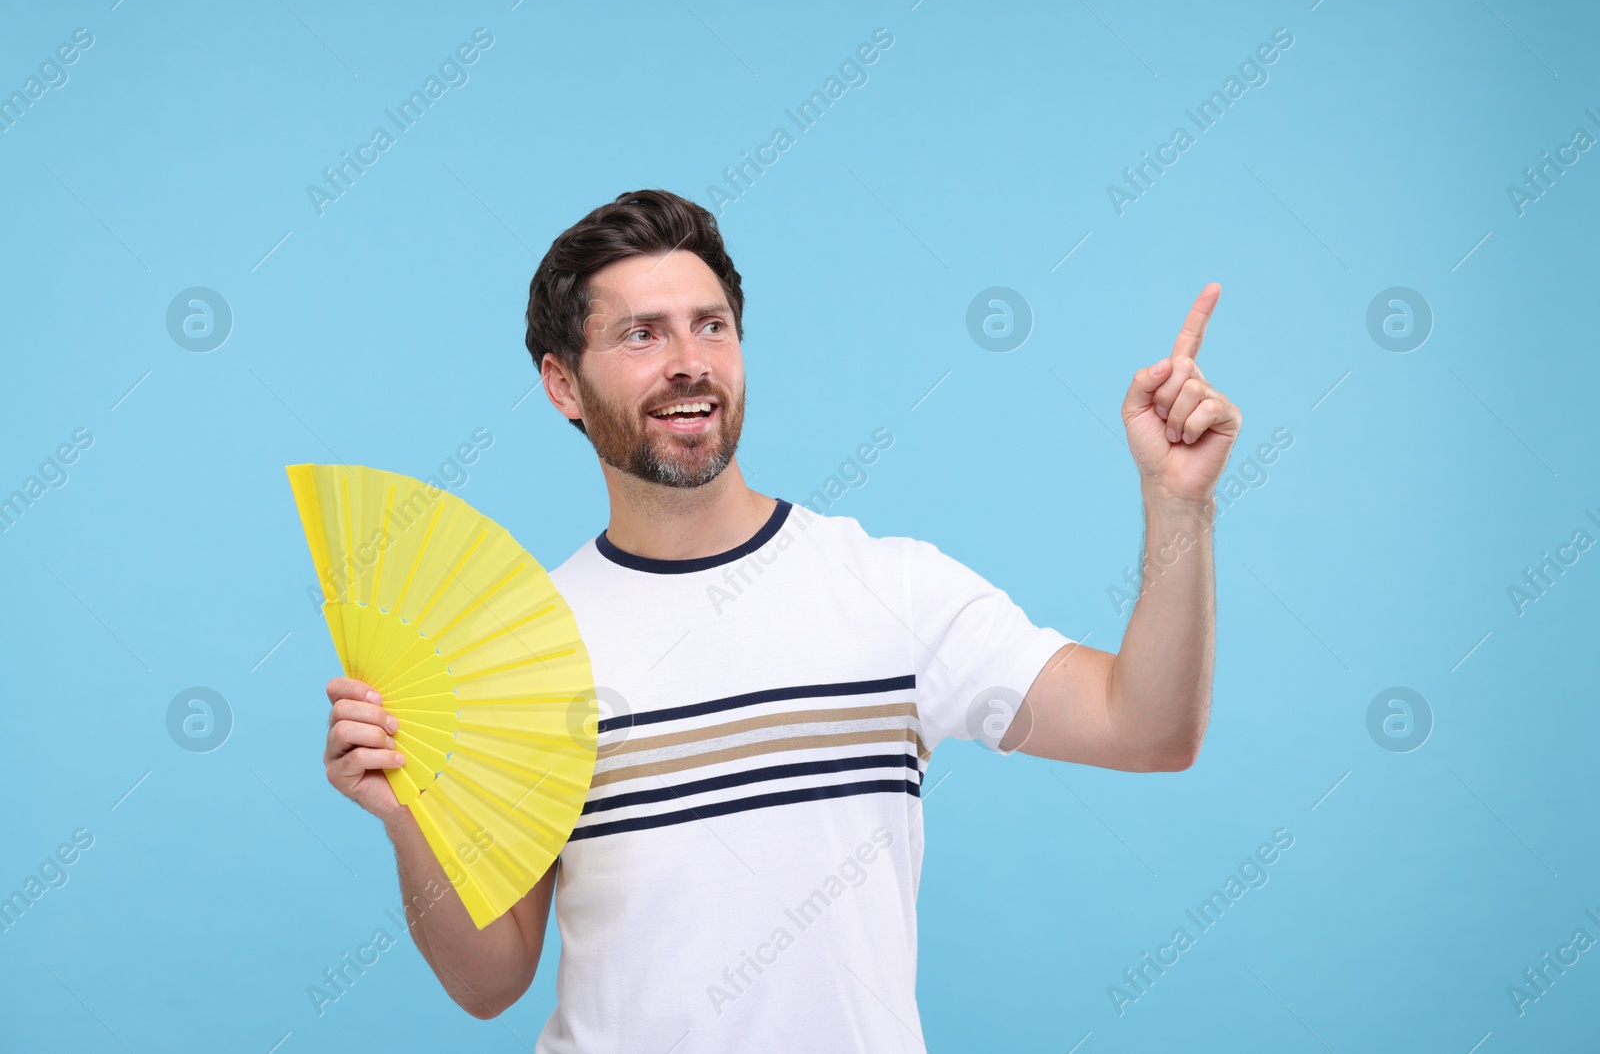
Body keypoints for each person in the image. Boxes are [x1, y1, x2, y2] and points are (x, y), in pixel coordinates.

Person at [321, 189, 1241, 1051]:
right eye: (642, 333)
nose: (690, 360)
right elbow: (492, 979)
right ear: (563, 384)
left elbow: (1147, 726)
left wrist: (1178, 505)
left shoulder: (893, 588)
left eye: (710, 325)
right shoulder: (524, 651)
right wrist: (409, 818)